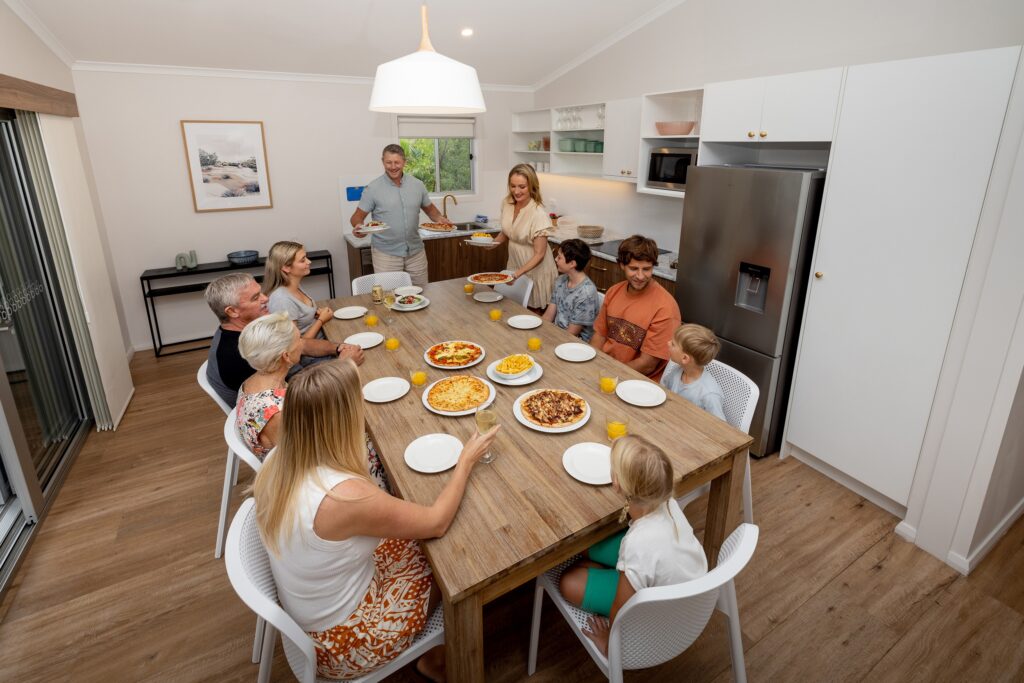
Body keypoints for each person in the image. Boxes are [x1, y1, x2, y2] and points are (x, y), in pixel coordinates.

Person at [253, 360, 499, 681]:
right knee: (452, 557)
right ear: (344, 417)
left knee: (419, 531)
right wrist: (465, 461)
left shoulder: (279, 459)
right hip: (346, 641)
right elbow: (436, 522)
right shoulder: (343, 496)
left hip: (318, 605)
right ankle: (440, 660)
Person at [557, 435, 707, 657]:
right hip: (691, 595)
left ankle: (604, 578)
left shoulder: (638, 542)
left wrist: (609, 644)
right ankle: (607, 574)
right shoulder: (668, 503)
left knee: (568, 582)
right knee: (588, 547)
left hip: (660, 614)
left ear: (616, 483)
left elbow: (622, 606)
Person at [204, 273, 363, 407]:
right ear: (232, 311)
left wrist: (338, 348)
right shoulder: (241, 354)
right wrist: (344, 366)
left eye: (261, 292)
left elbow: (301, 343)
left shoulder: (256, 330)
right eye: (255, 298)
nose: (266, 298)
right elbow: (304, 394)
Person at [349, 144, 452, 287]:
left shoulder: (418, 185)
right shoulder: (373, 188)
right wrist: (358, 226)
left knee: (421, 293)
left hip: (416, 253)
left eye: (397, 162)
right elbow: (356, 217)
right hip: (386, 255)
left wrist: (441, 219)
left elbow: (431, 211)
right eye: (388, 162)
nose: (393, 167)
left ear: (404, 162)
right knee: (390, 299)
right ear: (382, 162)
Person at [589, 235, 681, 381]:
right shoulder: (614, 291)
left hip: (639, 381)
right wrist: (591, 366)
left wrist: (609, 374)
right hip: (606, 370)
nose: (640, 276)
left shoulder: (665, 307)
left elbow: (647, 365)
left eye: (646, 269)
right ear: (621, 265)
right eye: (633, 268)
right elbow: (599, 335)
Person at [488, 164, 558, 310]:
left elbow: (540, 254)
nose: (516, 191)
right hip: (515, 264)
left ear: (532, 186)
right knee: (512, 309)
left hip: (536, 270)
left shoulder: (538, 214)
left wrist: (516, 274)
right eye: (513, 186)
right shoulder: (506, 203)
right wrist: (491, 244)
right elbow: (508, 231)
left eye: (522, 186)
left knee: (533, 314)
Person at [235, 312, 298, 458]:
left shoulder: (251, 381)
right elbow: (298, 461)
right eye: (299, 339)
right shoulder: (278, 414)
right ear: (286, 356)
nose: (302, 343)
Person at [263, 241, 333, 340]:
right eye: (302, 260)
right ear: (286, 268)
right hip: (314, 353)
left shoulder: (294, 285)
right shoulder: (281, 300)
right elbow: (295, 344)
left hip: (325, 338)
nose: (309, 262)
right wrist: (321, 320)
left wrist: (315, 314)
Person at [661, 323, 726, 421]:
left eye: (673, 344)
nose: (668, 343)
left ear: (684, 358)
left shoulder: (709, 394)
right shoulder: (678, 370)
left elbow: (721, 428)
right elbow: (664, 393)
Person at [541, 238, 599, 342]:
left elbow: (571, 334)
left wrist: (548, 340)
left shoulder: (586, 293)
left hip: (575, 343)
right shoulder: (560, 281)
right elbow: (548, 316)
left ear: (572, 263)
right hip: (556, 335)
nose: (555, 259)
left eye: (559, 257)